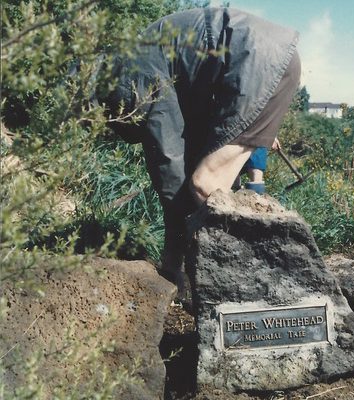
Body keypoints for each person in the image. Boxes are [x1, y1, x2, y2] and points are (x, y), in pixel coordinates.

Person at [104, 7, 301, 289]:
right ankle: (218, 277)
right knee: (209, 185)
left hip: (256, 63)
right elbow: (191, 142)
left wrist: (172, 266)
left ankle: (248, 282)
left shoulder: (139, 74)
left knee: (204, 184)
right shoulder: (150, 56)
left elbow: (169, 162)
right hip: (270, 57)